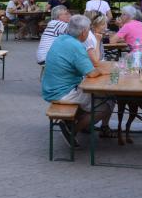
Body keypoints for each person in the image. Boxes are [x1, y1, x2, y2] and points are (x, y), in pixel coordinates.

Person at [41, 15, 113, 146]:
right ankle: (72, 130)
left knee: (98, 97)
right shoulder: (76, 46)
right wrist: (106, 71)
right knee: (106, 105)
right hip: (63, 93)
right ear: (84, 31)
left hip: (51, 89)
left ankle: (76, 122)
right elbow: (91, 73)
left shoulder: (61, 39)